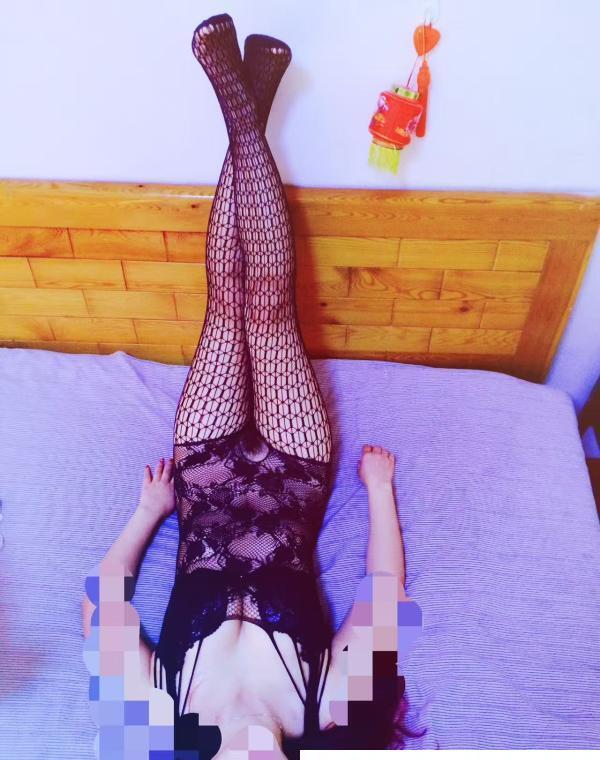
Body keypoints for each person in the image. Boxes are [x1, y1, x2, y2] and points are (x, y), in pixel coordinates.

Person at [83, 13, 425, 759]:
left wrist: (147, 513)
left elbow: (99, 610)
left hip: (203, 473)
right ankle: (246, 111)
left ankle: (246, 106)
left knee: (224, 304)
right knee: (265, 311)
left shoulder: (159, 718)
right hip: (296, 474)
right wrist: (377, 490)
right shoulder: (329, 712)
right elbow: (386, 601)